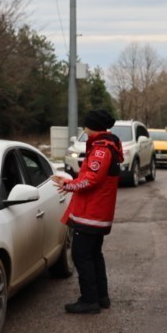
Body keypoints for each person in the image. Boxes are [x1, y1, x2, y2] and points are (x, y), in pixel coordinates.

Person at [52, 109, 123, 314]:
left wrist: (68, 184)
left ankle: (89, 300)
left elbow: (91, 179)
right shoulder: (105, 146)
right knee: (93, 255)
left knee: (81, 256)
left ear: (92, 127)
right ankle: (101, 297)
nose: (84, 128)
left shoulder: (101, 150)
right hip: (96, 213)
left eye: (86, 125)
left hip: (91, 214)